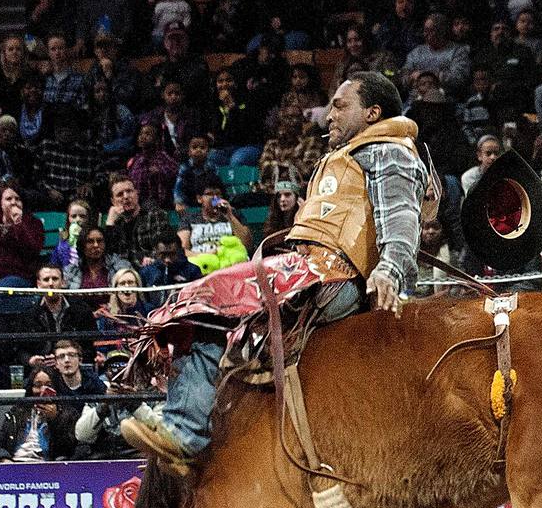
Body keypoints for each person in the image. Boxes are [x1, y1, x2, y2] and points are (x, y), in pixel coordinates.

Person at [121, 72, 428, 470]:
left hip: (329, 275)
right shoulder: (349, 154)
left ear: (372, 113)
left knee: (208, 298)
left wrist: (389, 269)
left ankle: (183, 429)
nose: (328, 116)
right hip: (309, 272)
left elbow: (401, 216)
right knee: (206, 304)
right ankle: (192, 421)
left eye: (339, 105)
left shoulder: (389, 150)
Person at [20, 265, 96, 370]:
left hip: (76, 368)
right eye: (46, 280)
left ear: (63, 282)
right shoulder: (29, 314)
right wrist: (30, 360)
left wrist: (69, 358)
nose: (51, 283)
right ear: (39, 284)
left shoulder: (81, 310)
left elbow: (90, 347)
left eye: (55, 279)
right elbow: (21, 349)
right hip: (42, 371)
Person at [0, 368, 76, 462]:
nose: (42, 390)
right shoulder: (18, 411)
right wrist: (4, 459)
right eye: (38, 385)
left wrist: (55, 420)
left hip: (47, 468)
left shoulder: (68, 413)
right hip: (14, 464)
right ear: (31, 388)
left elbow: (68, 450)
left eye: (49, 385)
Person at [105, 176, 173, 266]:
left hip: (151, 267)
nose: (126, 196)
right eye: (120, 194)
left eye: (129, 191)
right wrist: (110, 224)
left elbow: (163, 249)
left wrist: (144, 259)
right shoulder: (115, 224)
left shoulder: (154, 215)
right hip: (124, 273)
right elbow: (109, 257)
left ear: (136, 193)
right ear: (113, 201)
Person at [179, 179, 253, 259]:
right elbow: (182, 252)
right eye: (209, 194)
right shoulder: (189, 219)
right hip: (201, 264)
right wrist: (207, 255)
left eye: (218, 194)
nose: (215, 198)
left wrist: (229, 216)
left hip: (230, 262)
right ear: (199, 199)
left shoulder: (234, 215)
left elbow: (247, 245)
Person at [0, 183, 46, 293]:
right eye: (8, 199)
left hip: (19, 275)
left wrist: (19, 223)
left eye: (17, 199)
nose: (13, 202)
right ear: (1, 203)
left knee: (4, 287)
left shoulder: (34, 223)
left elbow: (34, 249)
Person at [403, 12, 471, 95]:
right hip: (415, 100)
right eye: (425, 30)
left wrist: (428, 75)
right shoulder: (417, 52)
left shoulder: (458, 51)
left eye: (430, 31)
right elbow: (404, 77)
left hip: (445, 100)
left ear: (442, 32)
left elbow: (459, 79)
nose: (425, 34)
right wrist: (410, 78)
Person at [127, 121, 182, 211]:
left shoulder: (163, 157)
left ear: (156, 140)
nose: (143, 137)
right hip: (140, 204)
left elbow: (176, 173)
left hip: (162, 204)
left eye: (147, 134)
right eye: (141, 134)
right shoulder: (135, 160)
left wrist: (160, 171)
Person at [137, 231, 200, 307]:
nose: (167, 259)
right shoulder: (146, 273)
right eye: (163, 254)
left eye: (172, 254)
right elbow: (143, 302)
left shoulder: (193, 271)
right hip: (154, 316)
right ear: (155, 251)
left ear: (180, 251)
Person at [63, 226, 130, 296]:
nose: (96, 245)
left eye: (99, 241)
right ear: (82, 245)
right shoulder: (71, 271)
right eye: (90, 241)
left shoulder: (121, 267)